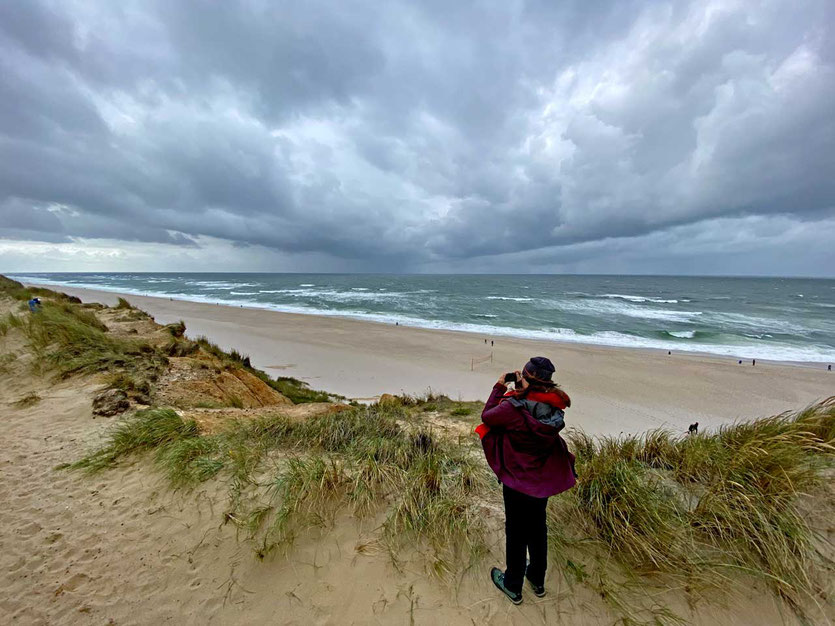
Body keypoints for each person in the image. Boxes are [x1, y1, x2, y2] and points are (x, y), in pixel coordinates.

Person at [476, 356, 576, 604]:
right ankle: (537, 580)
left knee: (516, 531)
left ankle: (513, 585)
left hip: (517, 478)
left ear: (525, 378)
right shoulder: (555, 408)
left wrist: (500, 387)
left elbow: (487, 416)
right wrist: (524, 390)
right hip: (541, 480)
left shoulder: (513, 408)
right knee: (537, 528)